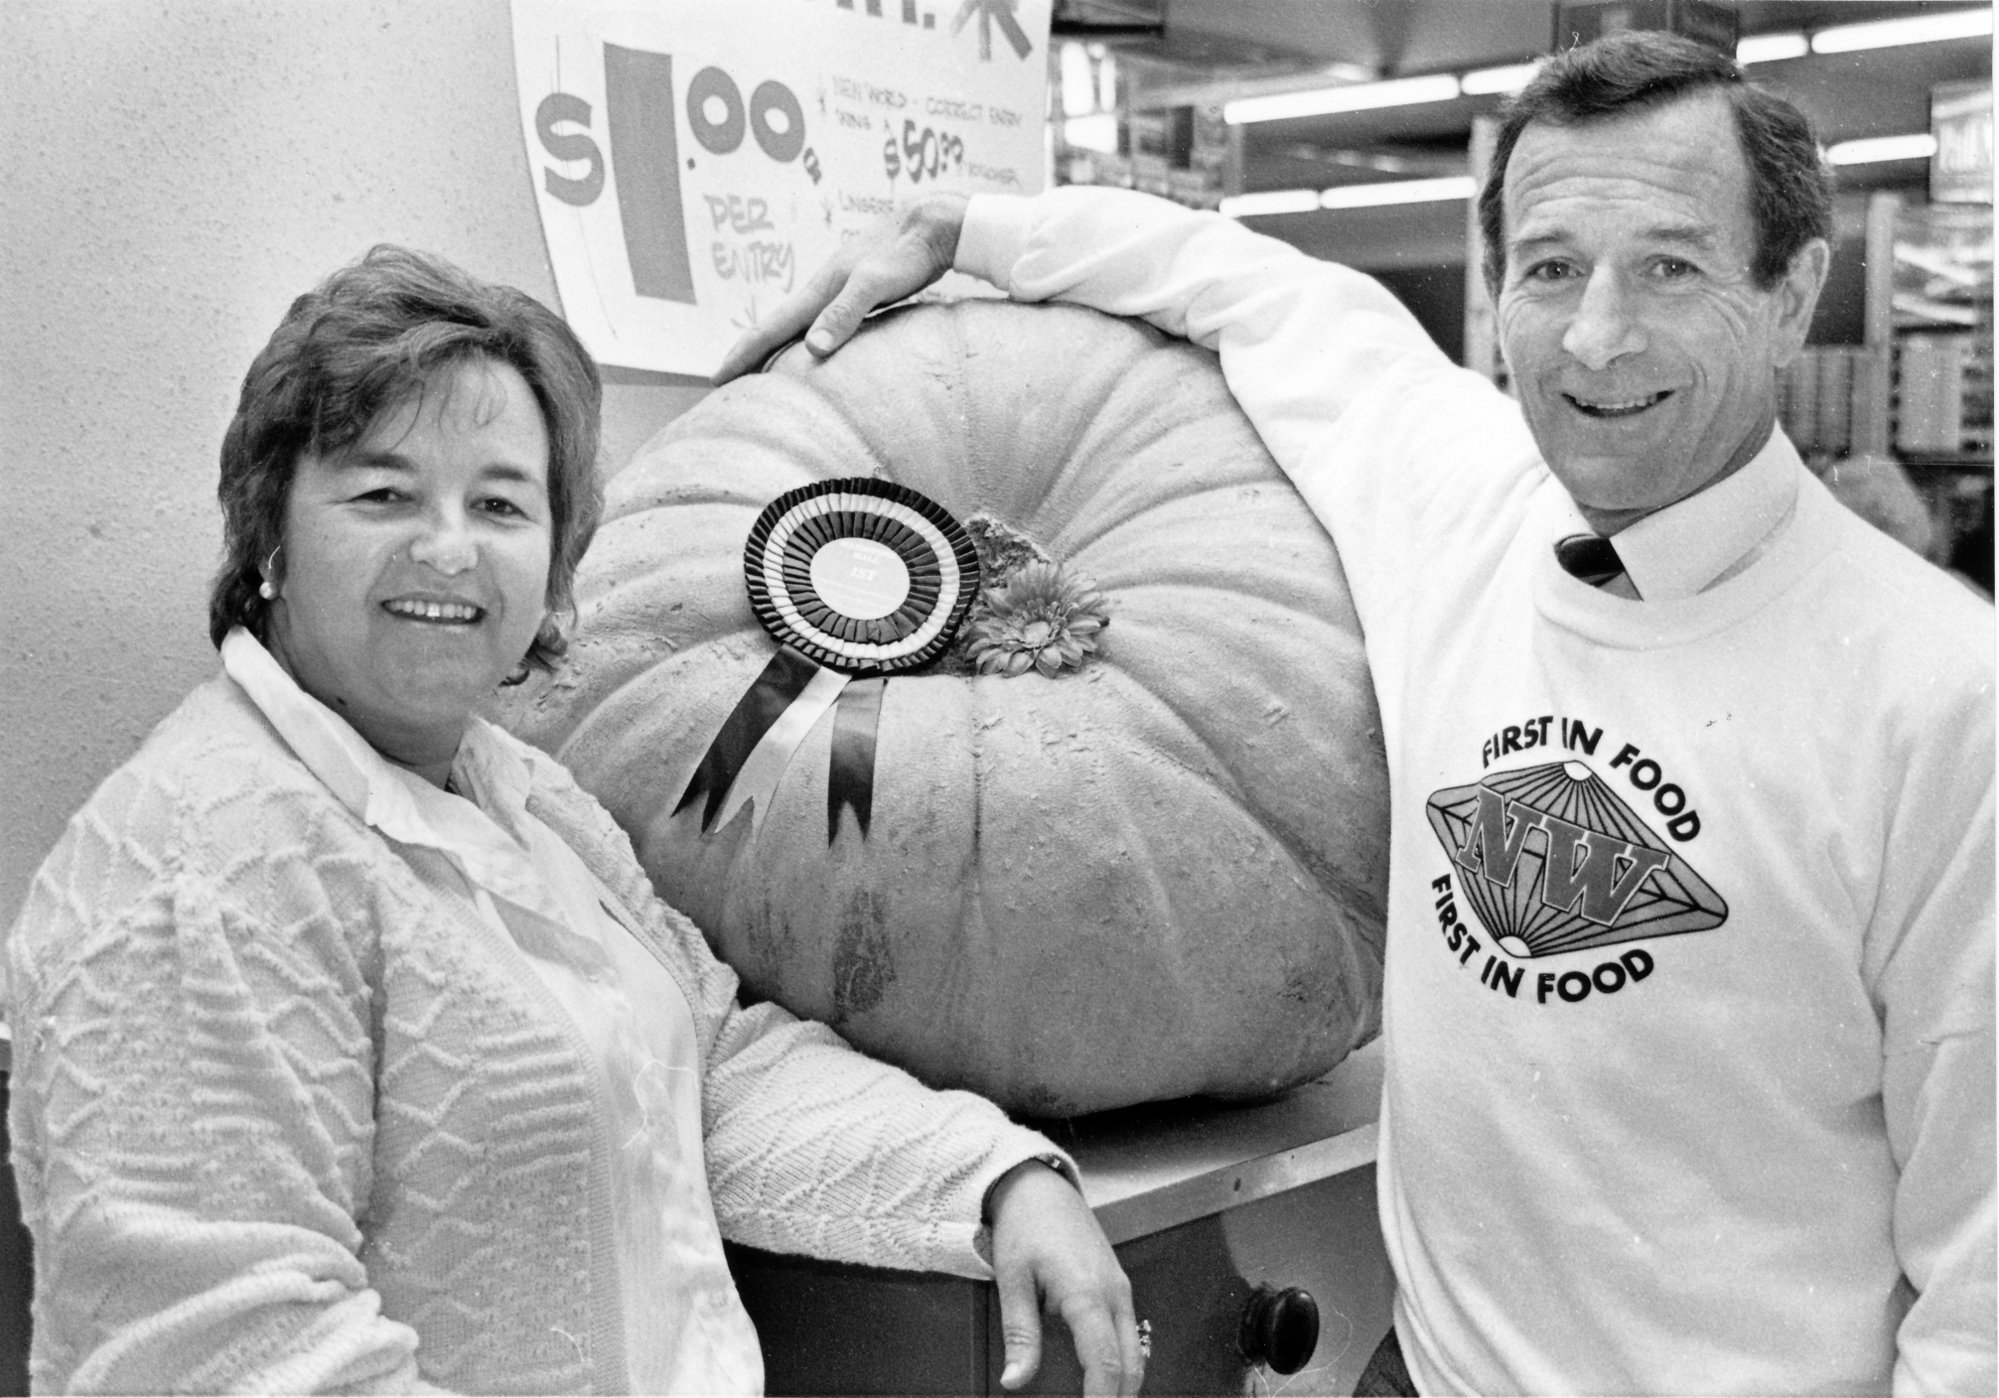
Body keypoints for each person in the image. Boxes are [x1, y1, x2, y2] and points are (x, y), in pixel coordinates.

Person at [719, 31, 1996, 1397]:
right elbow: (1255, 292)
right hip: (1422, 1373)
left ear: (1791, 290)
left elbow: (1980, 1264)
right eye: (1550, 268)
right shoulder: (1452, 498)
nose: (1595, 335)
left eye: (1669, 268)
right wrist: (966, 224)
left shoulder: (1940, 697)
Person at [3, 245, 1145, 1395]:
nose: (448, 546)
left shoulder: (518, 792)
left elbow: (713, 1068)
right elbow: (220, 1355)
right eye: (381, 492)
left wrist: (992, 1178)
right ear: (268, 536)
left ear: (554, 562)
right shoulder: (196, 877)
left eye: (499, 502)